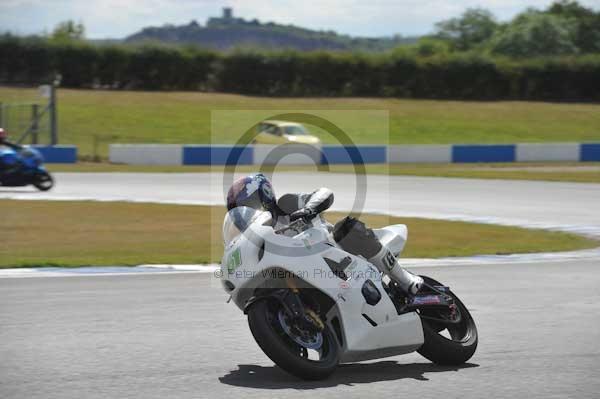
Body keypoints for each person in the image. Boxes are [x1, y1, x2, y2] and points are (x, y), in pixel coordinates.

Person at [226, 173, 423, 295]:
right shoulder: (258, 238)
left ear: (263, 195)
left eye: (248, 205)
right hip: (303, 269)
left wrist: (308, 209)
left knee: (346, 227)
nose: (246, 214)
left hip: (331, 248)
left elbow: (324, 192)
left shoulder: (286, 204)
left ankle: (406, 280)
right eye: (241, 212)